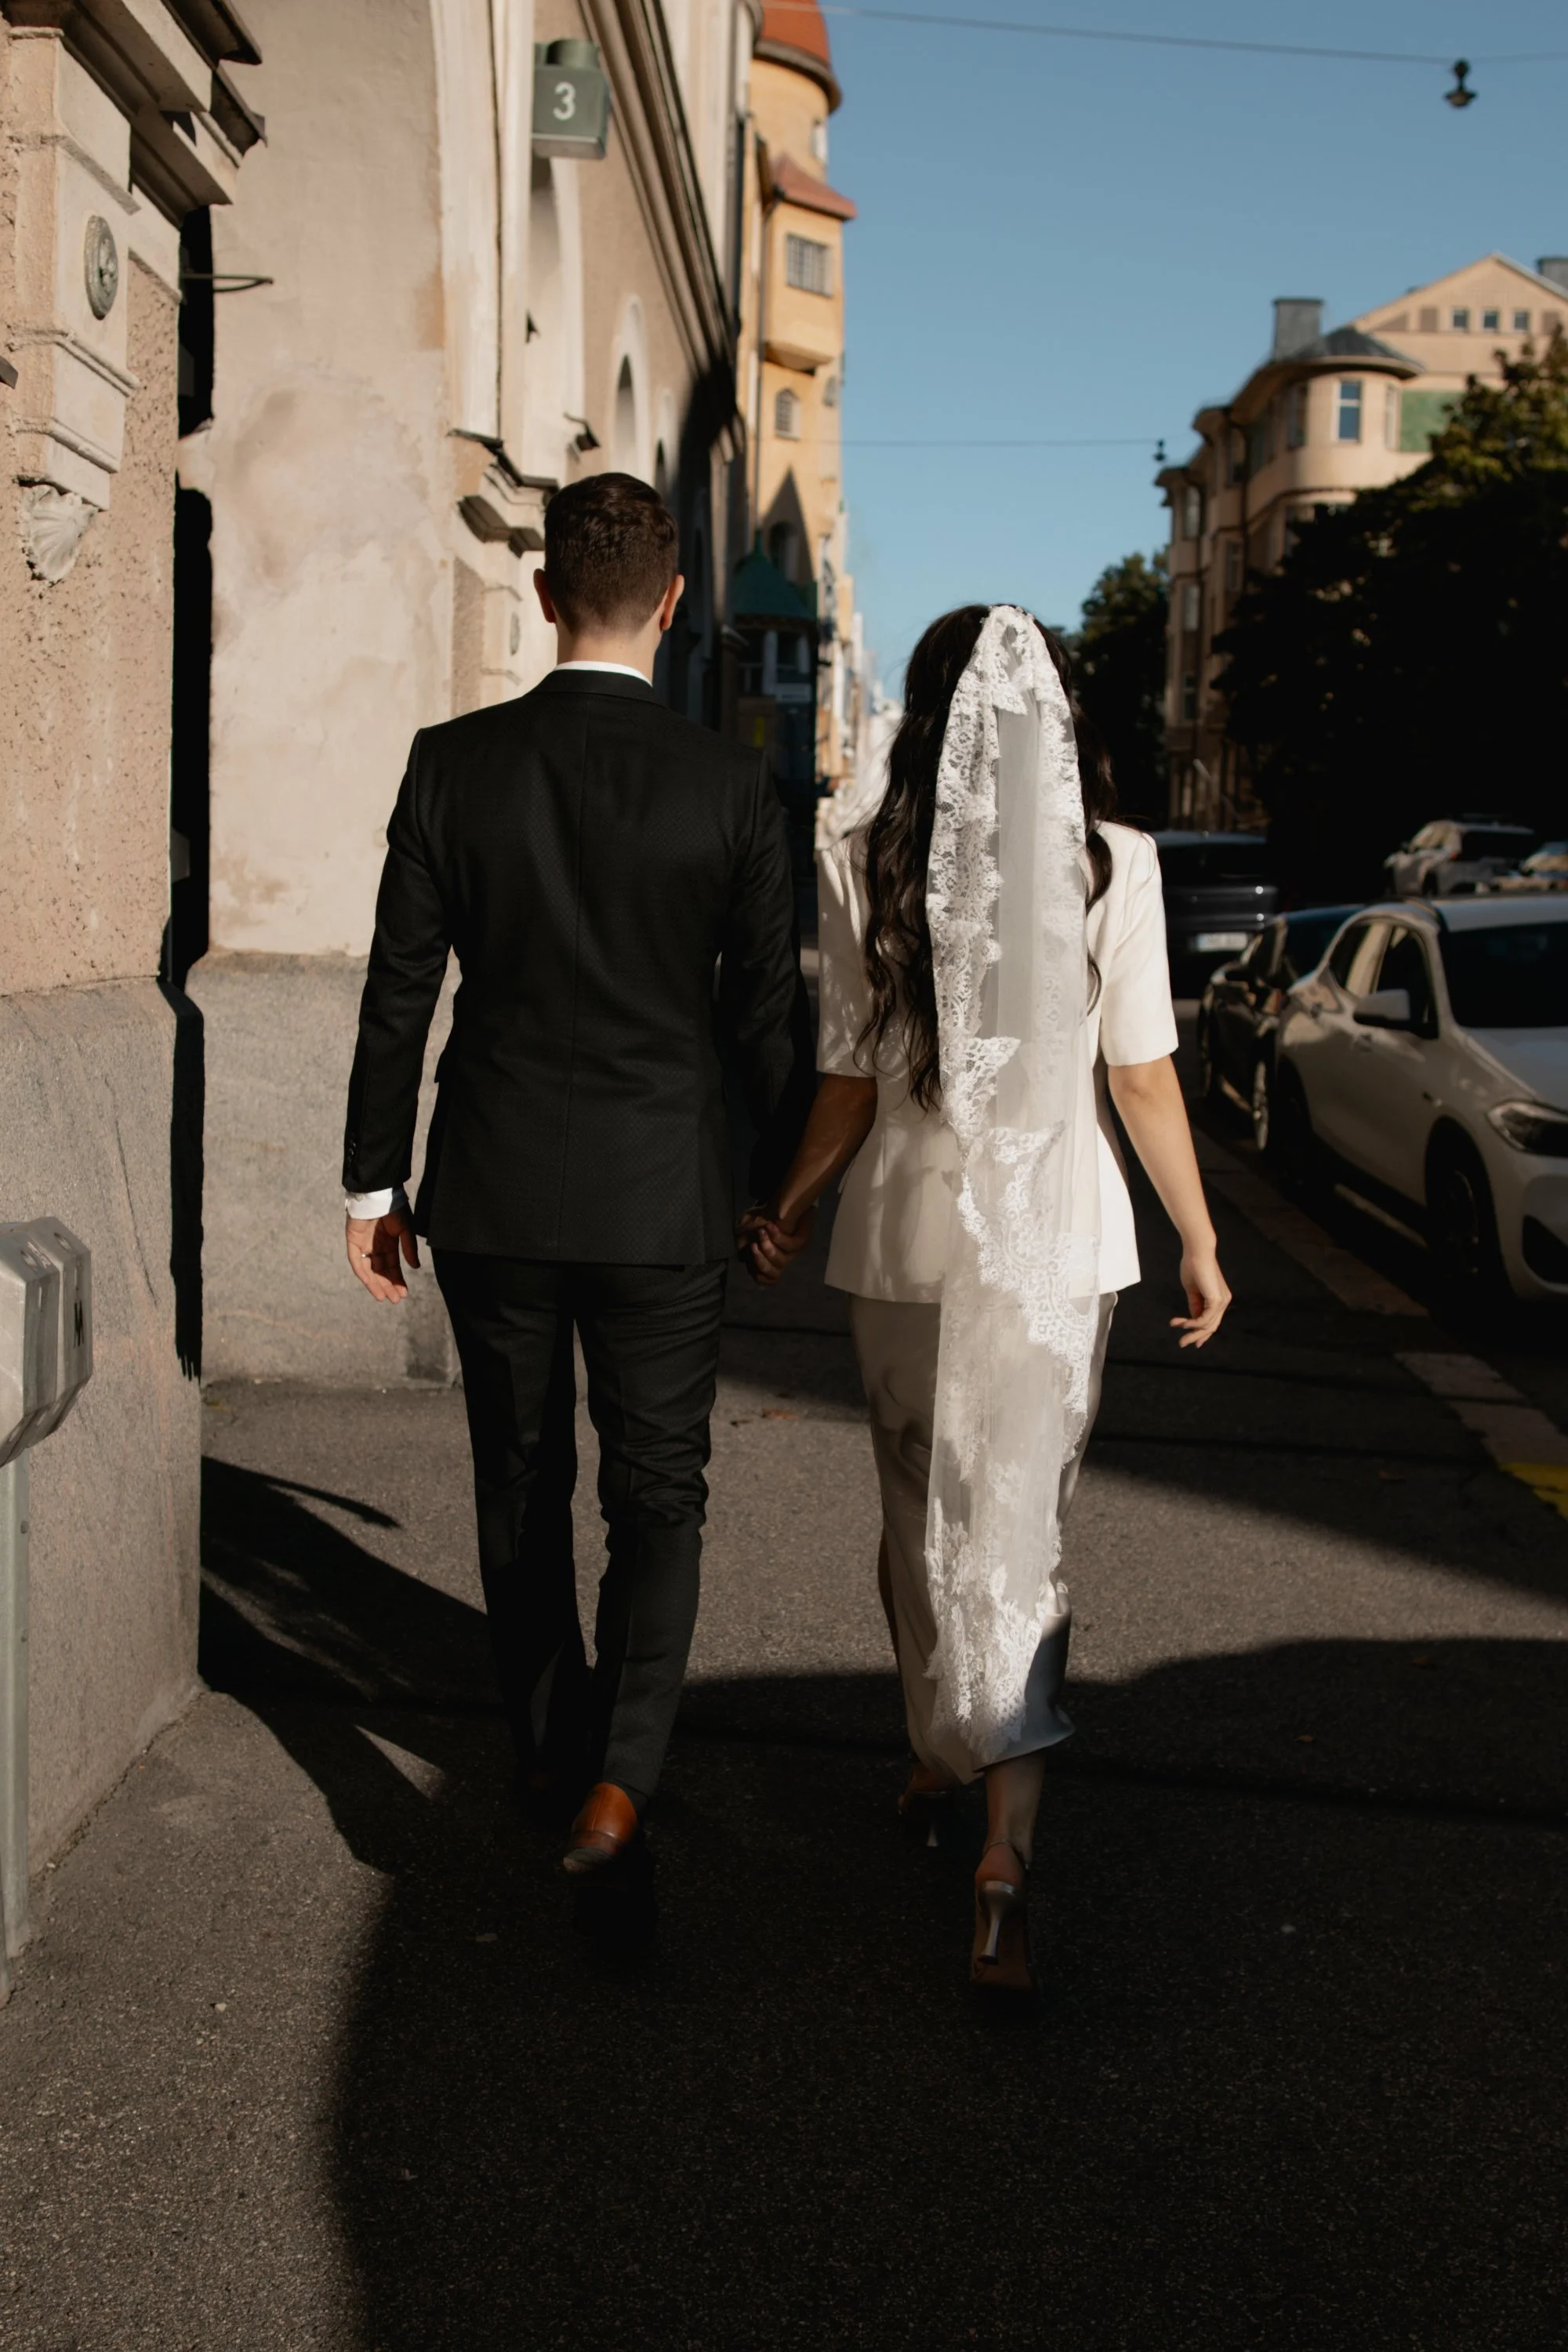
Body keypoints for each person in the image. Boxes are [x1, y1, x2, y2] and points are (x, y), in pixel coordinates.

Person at [743, 604, 1230, 1998]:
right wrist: (1198, 1236)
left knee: (917, 1519)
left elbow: (848, 1074)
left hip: (907, 1248)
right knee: (1023, 1524)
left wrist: (788, 1202)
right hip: (1059, 1250)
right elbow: (1142, 1074)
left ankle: (932, 1750)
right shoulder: (1114, 862)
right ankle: (1007, 1849)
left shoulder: (863, 861)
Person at [342, 472, 811, 1900]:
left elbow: (399, 990)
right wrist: (776, 1187)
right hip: (666, 1194)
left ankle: (551, 1748)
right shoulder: (733, 785)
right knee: (659, 1488)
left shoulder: (450, 764)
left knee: (520, 1474)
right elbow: (765, 1021)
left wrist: (372, 1186)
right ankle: (623, 1776)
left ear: (544, 594)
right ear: (672, 605)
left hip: (492, 1186)